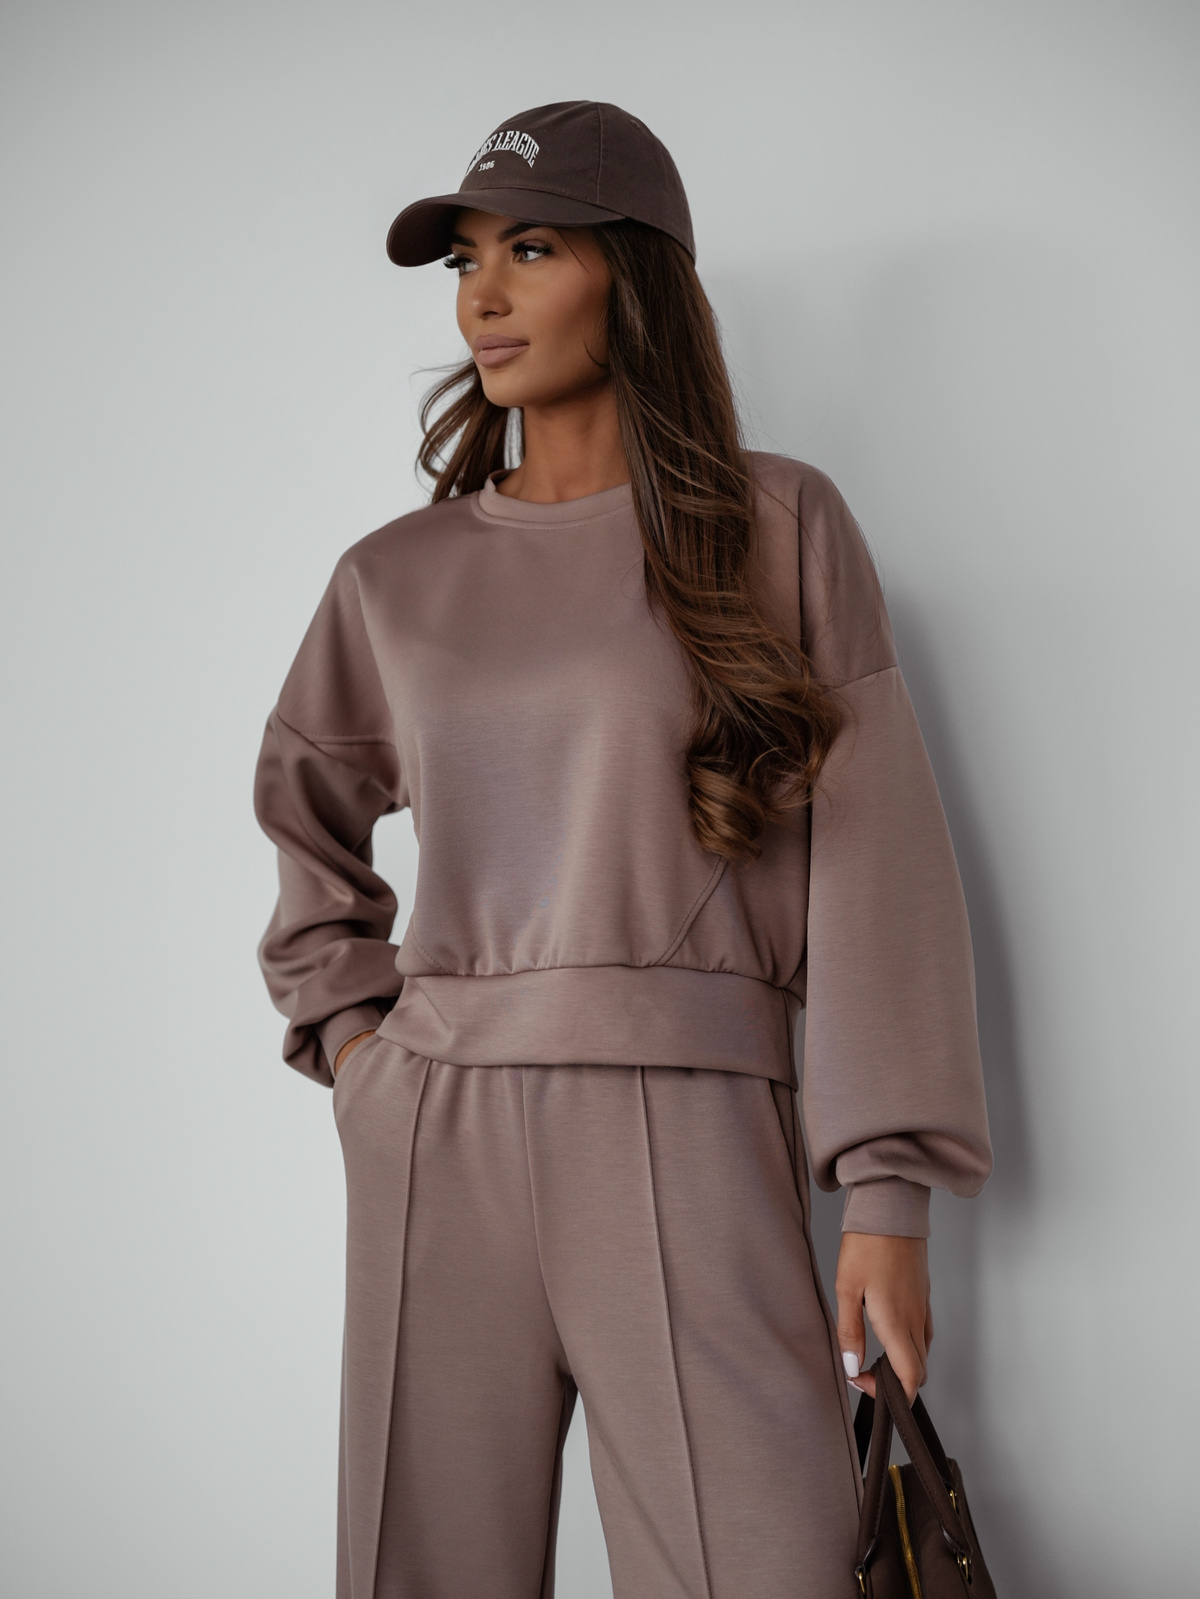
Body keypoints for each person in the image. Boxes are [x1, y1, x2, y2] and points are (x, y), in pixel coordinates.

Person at [253, 100, 992, 1599]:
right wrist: (360, 1053)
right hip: (437, 1130)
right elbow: (303, 813)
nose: (484, 294)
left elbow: (879, 860)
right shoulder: (395, 577)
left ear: (635, 278)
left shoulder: (776, 524)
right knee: (422, 1569)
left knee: (765, 1566)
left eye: (532, 249)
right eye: (465, 260)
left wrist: (887, 1192)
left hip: (691, 1118)